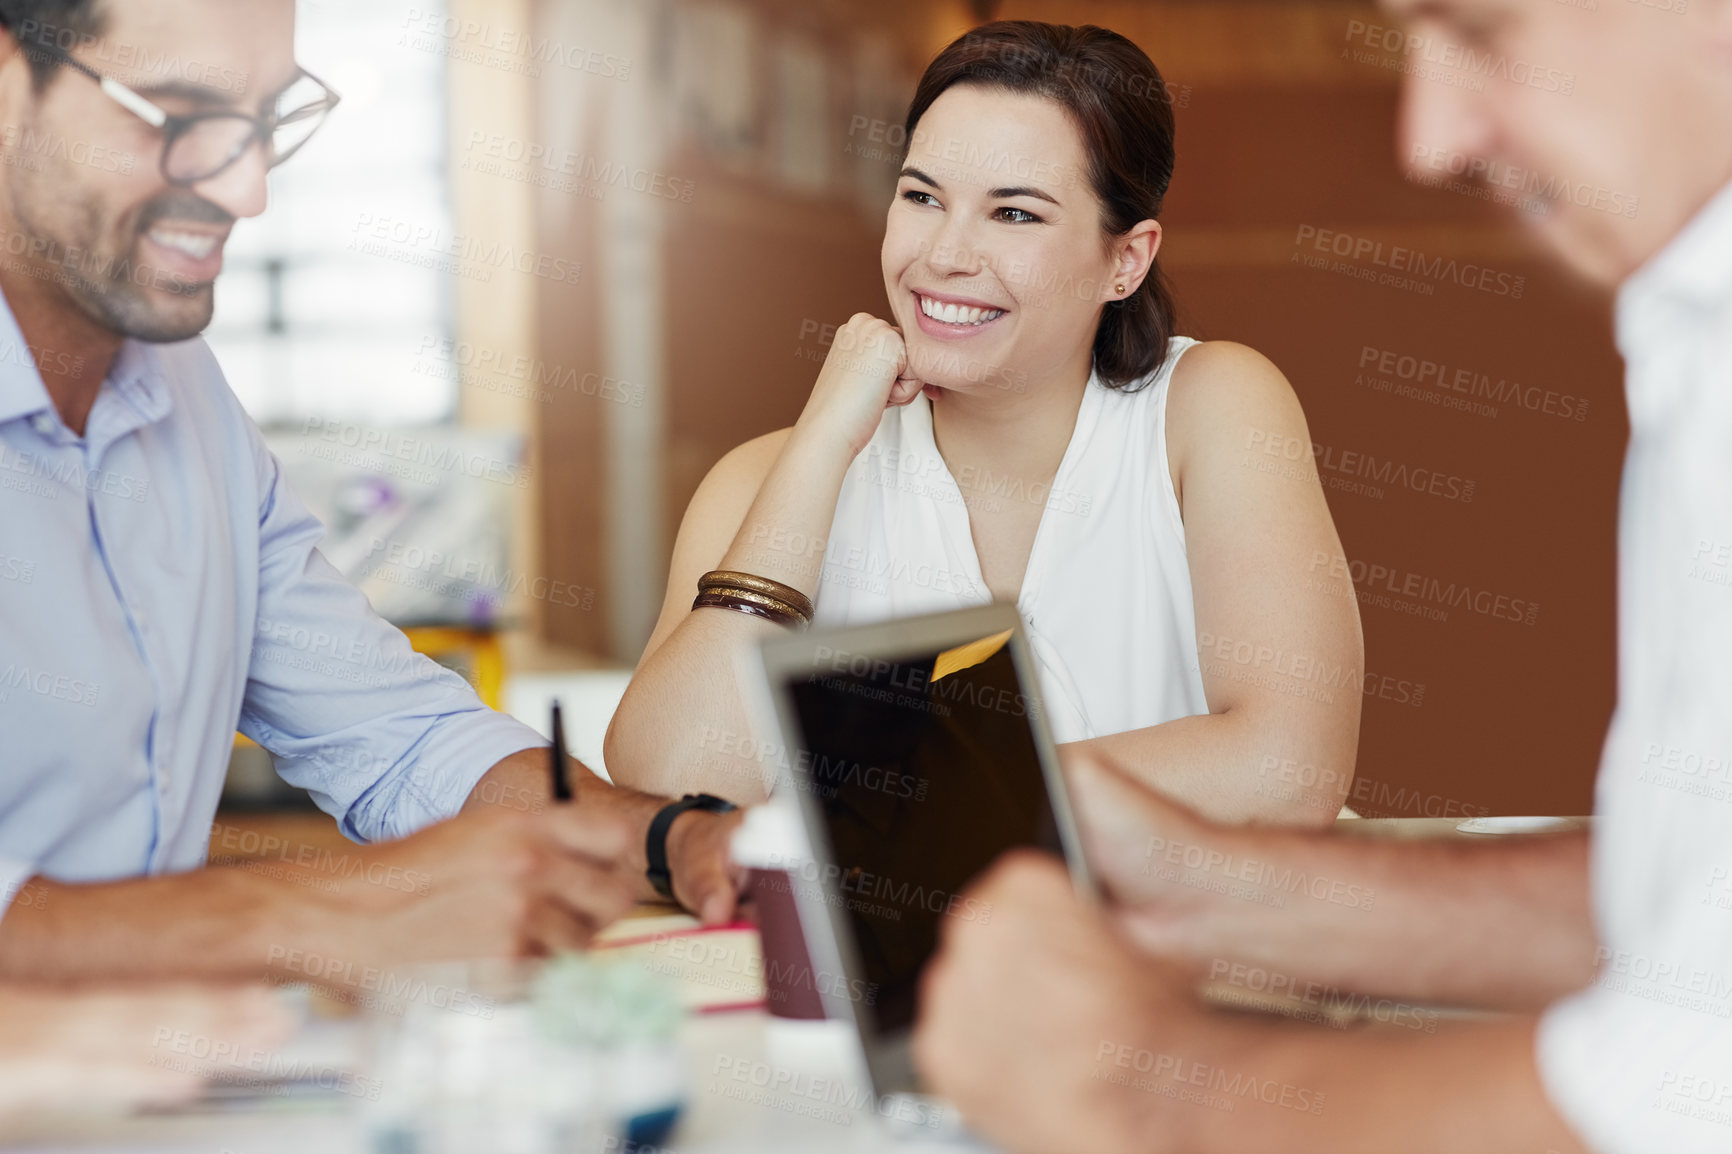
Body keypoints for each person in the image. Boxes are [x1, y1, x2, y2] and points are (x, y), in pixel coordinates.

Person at [914, 1, 1732, 1151]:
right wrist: (1218, 883)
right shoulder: (1696, 329)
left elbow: (1685, 1076)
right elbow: (1691, 900)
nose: (1427, 138)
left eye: (1482, 34)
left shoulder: (1213, 403)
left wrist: (1141, 1089)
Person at [0, 0, 742, 986]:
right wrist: (325, 909)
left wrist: (669, 837)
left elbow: (397, 737)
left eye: (268, 119)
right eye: (179, 115)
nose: (248, 187)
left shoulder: (189, 401)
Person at [606, 22, 1364, 827]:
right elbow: (674, 784)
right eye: (922, 197)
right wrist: (822, 444)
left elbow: (1292, 767)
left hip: (1178, 951)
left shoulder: (1211, 408)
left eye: (1014, 215)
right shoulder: (765, 478)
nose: (945, 255)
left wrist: (905, 793)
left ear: (1126, 260)